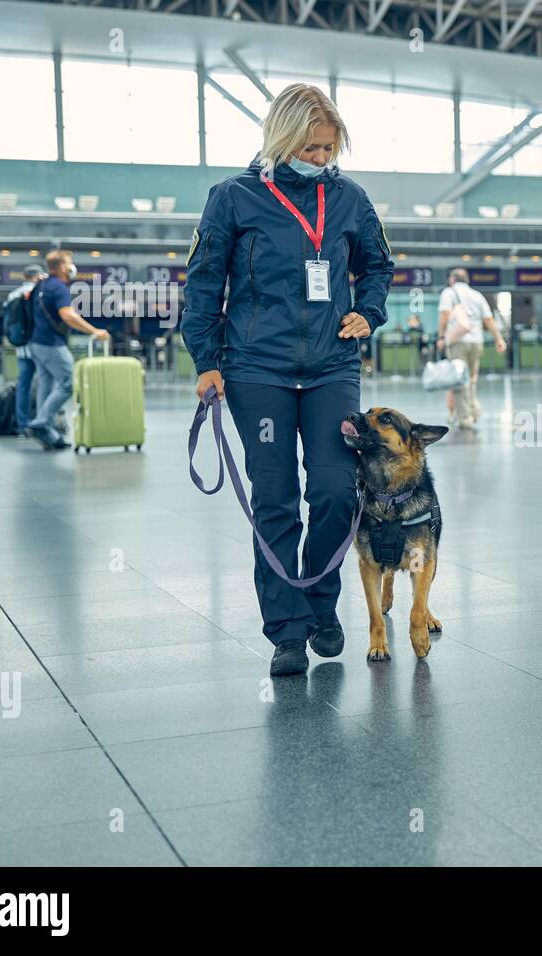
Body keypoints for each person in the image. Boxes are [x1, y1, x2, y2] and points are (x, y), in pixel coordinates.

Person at [181, 83, 394, 677]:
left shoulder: (350, 198)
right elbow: (203, 286)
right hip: (257, 370)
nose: (322, 159)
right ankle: (287, 631)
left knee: (334, 491)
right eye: (314, 147)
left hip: (332, 368)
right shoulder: (233, 198)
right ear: (283, 137)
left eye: (330, 149)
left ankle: (321, 605)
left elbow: (378, 264)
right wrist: (206, 361)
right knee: (273, 500)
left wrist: (369, 311)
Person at [24, 250, 111, 450]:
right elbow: (68, 316)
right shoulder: (58, 287)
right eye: (70, 263)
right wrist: (95, 331)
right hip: (51, 344)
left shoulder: (41, 284)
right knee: (68, 383)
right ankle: (41, 422)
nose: (72, 267)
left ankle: (49, 434)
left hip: (35, 343)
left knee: (46, 386)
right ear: (63, 267)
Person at [436, 267, 506, 429]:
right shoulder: (477, 295)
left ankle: (465, 418)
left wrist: (441, 336)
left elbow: (444, 315)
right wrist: (498, 339)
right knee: (472, 379)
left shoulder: (449, 292)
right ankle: (474, 411)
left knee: (460, 381)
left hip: (457, 342)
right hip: (476, 342)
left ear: (452, 280)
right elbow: (488, 320)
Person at [5, 264, 45, 435]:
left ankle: (23, 425)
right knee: (45, 384)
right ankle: (42, 422)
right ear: (37, 276)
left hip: (21, 348)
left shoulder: (12, 295)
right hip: (41, 346)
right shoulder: (40, 293)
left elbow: (9, 323)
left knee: (23, 385)